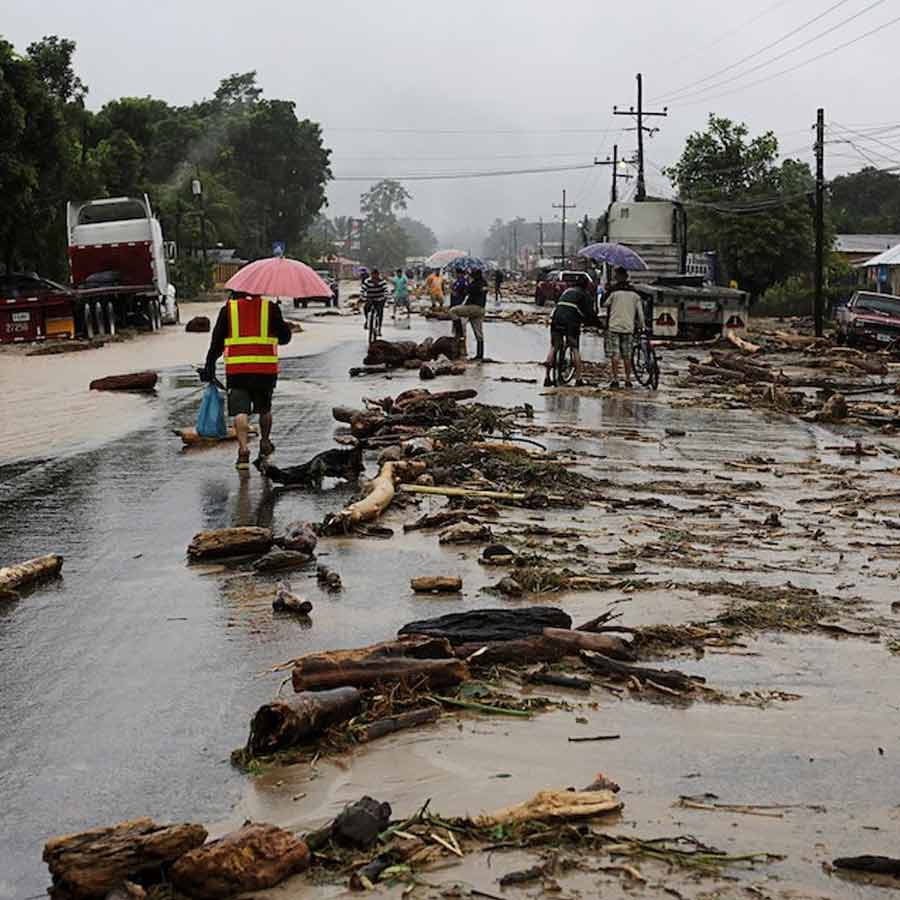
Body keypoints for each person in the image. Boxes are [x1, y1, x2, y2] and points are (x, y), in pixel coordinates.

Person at [202, 291, 292, 470]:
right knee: (264, 409)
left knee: (240, 411)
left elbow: (217, 342)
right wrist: (279, 322)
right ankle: (265, 442)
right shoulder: (270, 308)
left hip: (237, 370)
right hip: (265, 370)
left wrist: (209, 364)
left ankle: (243, 451)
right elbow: (285, 338)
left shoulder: (228, 310)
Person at [543, 284, 593, 387]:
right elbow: (589, 313)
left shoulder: (566, 292)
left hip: (556, 318)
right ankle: (578, 379)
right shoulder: (585, 295)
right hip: (571, 322)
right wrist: (594, 323)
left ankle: (547, 377)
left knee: (554, 346)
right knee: (575, 348)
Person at [605, 266, 645, 389]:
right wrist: (642, 326)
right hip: (628, 328)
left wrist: (607, 290)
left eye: (616, 275)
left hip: (614, 326)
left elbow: (604, 304)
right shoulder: (635, 294)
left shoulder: (613, 292)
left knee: (615, 355)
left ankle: (615, 379)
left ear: (619, 277)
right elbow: (640, 313)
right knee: (627, 355)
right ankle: (628, 380)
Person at [449, 267, 487, 360]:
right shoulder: (483, 283)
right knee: (479, 334)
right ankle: (480, 355)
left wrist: (468, 282)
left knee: (453, 311)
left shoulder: (474, 284)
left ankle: (460, 332)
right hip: (481, 309)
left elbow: (466, 291)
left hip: (473, 307)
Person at [362, 268, 388, 336]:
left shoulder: (382, 281)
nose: (374, 278)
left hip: (379, 299)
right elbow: (363, 289)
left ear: (378, 275)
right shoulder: (367, 281)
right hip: (370, 298)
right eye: (373, 276)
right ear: (371, 275)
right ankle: (367, 320)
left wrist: (385, 296)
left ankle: (379, 329)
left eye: (376, 276)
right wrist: (362, 296)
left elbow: (386, 290)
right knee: (365, 308)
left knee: (380, 312)